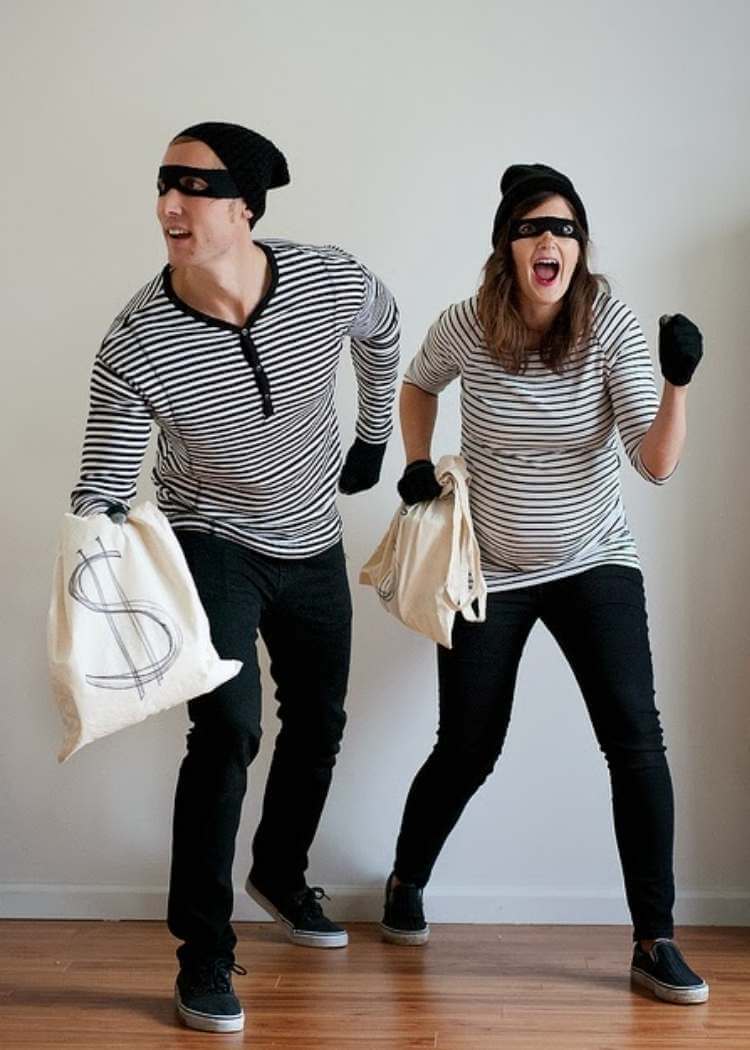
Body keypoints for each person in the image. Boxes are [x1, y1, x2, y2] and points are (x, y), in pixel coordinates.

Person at [71, 121, 400, 1033]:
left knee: (321, 720)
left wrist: (374, 435)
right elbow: (105, 480)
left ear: (247, 206)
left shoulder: (328, 278)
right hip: (207, 536)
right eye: (164, 183)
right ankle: (205, 959)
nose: (171, 204)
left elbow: (384, 330)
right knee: (226, 734)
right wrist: (85, 572)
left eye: (196, 186)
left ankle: (282, 872)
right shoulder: (136, 338)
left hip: (314, 538)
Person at [381, 163, 708, 1006]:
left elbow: (657, 464)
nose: (549, 241)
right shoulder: (471, 322)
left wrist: (676, 382)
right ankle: (405, 883)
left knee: (635, 737)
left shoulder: (610, 325)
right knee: (468, 745)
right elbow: (418, 381)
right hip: (490, 567)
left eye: (563, 228)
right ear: (507, 245)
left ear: (580, 247)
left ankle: (655, 938)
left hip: (593, 559)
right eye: (532, 228)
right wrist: (415, 462)